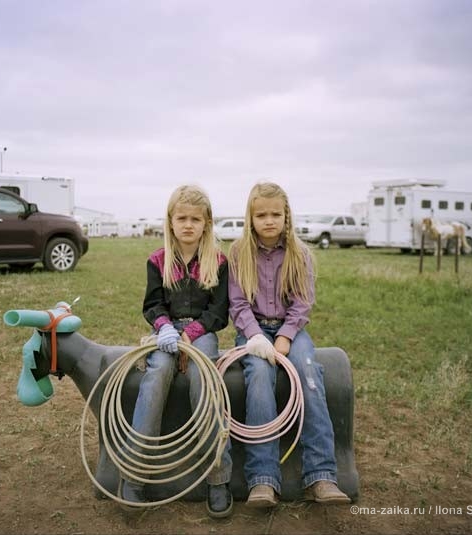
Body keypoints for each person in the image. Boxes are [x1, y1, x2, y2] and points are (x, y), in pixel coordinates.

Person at [228, 182, 350, 508]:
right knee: (258, 379)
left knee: (308, 373)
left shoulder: (300, 253)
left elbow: (303, 303)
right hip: (253, 332)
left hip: (290, 331)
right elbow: (238, 305)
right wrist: (255, 337)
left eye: (275, 214)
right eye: (261, 215)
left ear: (287, 216)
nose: (269, 220)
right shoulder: (240, 253)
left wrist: (285, 336)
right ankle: (262, 480)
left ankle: (321, 475)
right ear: (250, 218)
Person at [120, 185, 233, 518]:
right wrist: (166, 328)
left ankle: (218, 476)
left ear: (206, 223)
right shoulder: (157, 260)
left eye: (195, 219)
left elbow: (219, 312)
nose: (188, 225)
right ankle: (134, 474)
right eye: (181, 218)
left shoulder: (219, 262)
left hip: (203, 333)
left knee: (204, 380)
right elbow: (152, 304)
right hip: (167, 333)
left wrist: (191, 334)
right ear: (170, 222)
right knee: (156, 377)